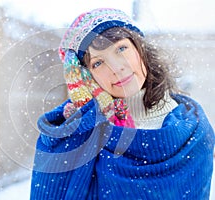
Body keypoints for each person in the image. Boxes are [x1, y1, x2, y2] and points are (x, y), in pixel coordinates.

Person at [30, 8, 215, 199]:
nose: (117, 68)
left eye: (121, 49)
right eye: (98, 63)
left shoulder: (193, 129)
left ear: (140, 48)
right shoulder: (75, 134)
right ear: (87, 77)